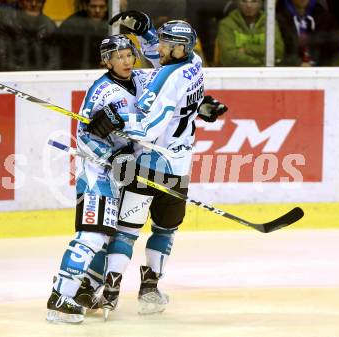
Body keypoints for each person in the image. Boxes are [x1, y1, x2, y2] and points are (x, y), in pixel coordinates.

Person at [86, 12, 227, 319]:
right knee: (166, 230)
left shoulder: (164, 79)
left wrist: (116, 119)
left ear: (179, 47)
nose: (157, 48)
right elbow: (181, 93)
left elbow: (148, 129)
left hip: (149, 163)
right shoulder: (196, 63)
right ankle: (150, 289)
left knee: (125, 232)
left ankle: (109, 291)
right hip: (179, 164)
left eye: (165, 43)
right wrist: (149, 31)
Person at [46, 34, 150, 325]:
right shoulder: (100, 93)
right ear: (106, 61)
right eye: (118, 57)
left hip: (121, 177)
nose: (126, 61)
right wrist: (112, 156)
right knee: (92, 235)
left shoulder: (141, 80)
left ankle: (81, 291)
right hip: (97, 176)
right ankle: (59, 295)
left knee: (106, 237)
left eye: (129, 54)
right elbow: (85, 138)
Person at [0, 0, 58, 71]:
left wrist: (38, 77)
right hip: (11, 78)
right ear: (20, 2)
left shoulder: (49, 26)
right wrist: (29, 75)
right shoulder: (4, 23)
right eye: (28, 1)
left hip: (40, 78)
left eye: (38, 1)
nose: (34, 4)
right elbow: (1, 61)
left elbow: (54, 62)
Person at [216, 0, 284, 66]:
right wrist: (263, 62)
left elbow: (278, 51)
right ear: (238, 3)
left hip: (265, 75)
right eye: (244, 1)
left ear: (261, 3)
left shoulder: (269, 22)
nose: (249, 5)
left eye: (254, 1)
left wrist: (246, 50)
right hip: (234, 75)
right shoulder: (227, 24)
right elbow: (229, 58)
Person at [276, 0, 339, 66]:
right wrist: (297, 64)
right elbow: (277, 56)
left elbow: (337, 54)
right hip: (288, 74)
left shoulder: (325, 18)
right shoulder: (277, 18)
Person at [56, 0, 108, 69]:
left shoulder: (113, 23)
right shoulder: (71, 26)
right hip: (77, 73)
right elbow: (64, 60)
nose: (97, 10)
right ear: (86, 6)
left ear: (107, 7)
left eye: (102, 7)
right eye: (93, 6)